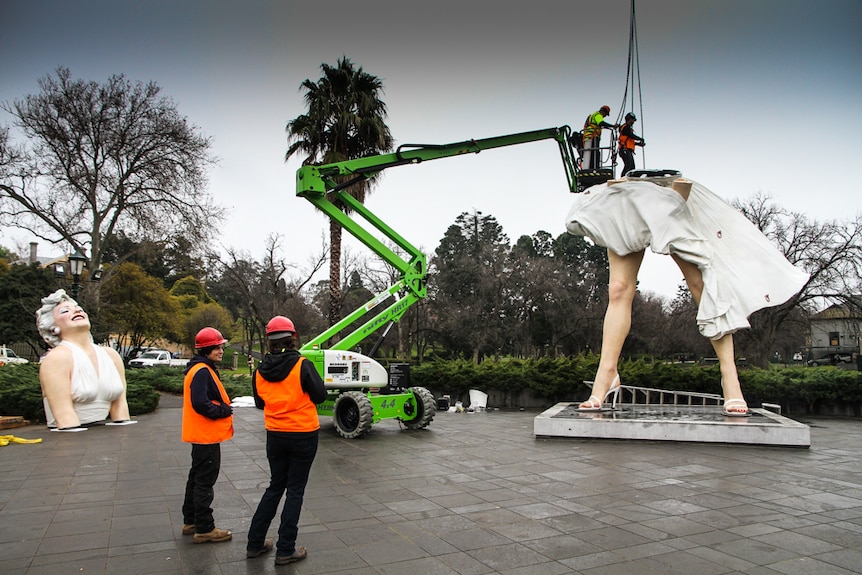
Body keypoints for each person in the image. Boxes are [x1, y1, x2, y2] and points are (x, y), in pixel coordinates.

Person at [565, 176, 809, 416]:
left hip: (668, 189)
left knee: (700, 284)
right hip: (624, 191)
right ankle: (607, 374)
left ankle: (729, 376)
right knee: (618, 288)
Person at [246, 316, 327, 565]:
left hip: (275, 434)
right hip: (303, 434)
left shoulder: (260, 370)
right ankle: (285, 549)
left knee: (275, 486)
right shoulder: (302, 365)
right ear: (292, 338)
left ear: (269, 342)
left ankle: (255, 543)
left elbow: (260, 403)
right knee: (295, 490)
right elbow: (320, 396)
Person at [35, 289, 134, 431]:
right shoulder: (57, 358)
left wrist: (122, 424)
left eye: (79, 309)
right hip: (70, 434)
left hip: (105, 432)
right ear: (52, 328)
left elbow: (120, 405)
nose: (77, 311)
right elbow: (63, 413)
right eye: (65, 311)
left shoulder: (111, 355)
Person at [181, 327, 234, 544]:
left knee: (196, 478)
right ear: (206, 349)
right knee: (204, 482)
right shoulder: (202, 371)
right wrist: (223, 410)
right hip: (207, 435)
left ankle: (191, 520)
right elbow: (201, 403)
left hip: (200, 434)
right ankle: (204, 528)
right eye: (218, 347)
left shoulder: (198, 369)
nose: (221, 350)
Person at [582, 105, 618, 170]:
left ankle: (592, 167)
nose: (605, 116)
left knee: (592, 153)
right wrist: (613, 126)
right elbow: (601, 123)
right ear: (603, 111)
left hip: (589, 137)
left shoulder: (594, 115)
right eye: (606, 114)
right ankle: (595, 168)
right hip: (592, 136)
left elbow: (599, 124)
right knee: (595, 153)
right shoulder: (598, 115)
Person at [618, 112, 645, 177]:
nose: (633, 122)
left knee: (632, 167)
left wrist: (638, 144)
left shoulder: (628, 128)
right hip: (624, 149)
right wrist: (640, 138)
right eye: (632, 120)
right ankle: (623, 178)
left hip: (627, 150)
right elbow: (630, 135)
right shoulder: (625, 127)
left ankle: (629, 179)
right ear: (628, 119)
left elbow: (629, 141)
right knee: (628, 165)